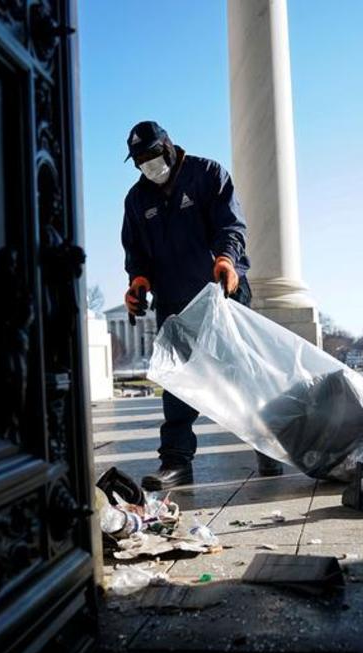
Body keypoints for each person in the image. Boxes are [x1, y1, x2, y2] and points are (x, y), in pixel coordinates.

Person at [120, 120, 284, 491]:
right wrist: (138, 282)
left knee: (242, 373)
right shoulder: (136, 199)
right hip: (174, 302)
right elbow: (136, 253)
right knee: (178, 383)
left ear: (168, 146)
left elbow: (232, 227)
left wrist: (226, 259)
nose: (148, 165)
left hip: (220, 292)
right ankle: (176, 461)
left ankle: (267, 445)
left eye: (151, 155)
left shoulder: (207, 174)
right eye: (139, 160)